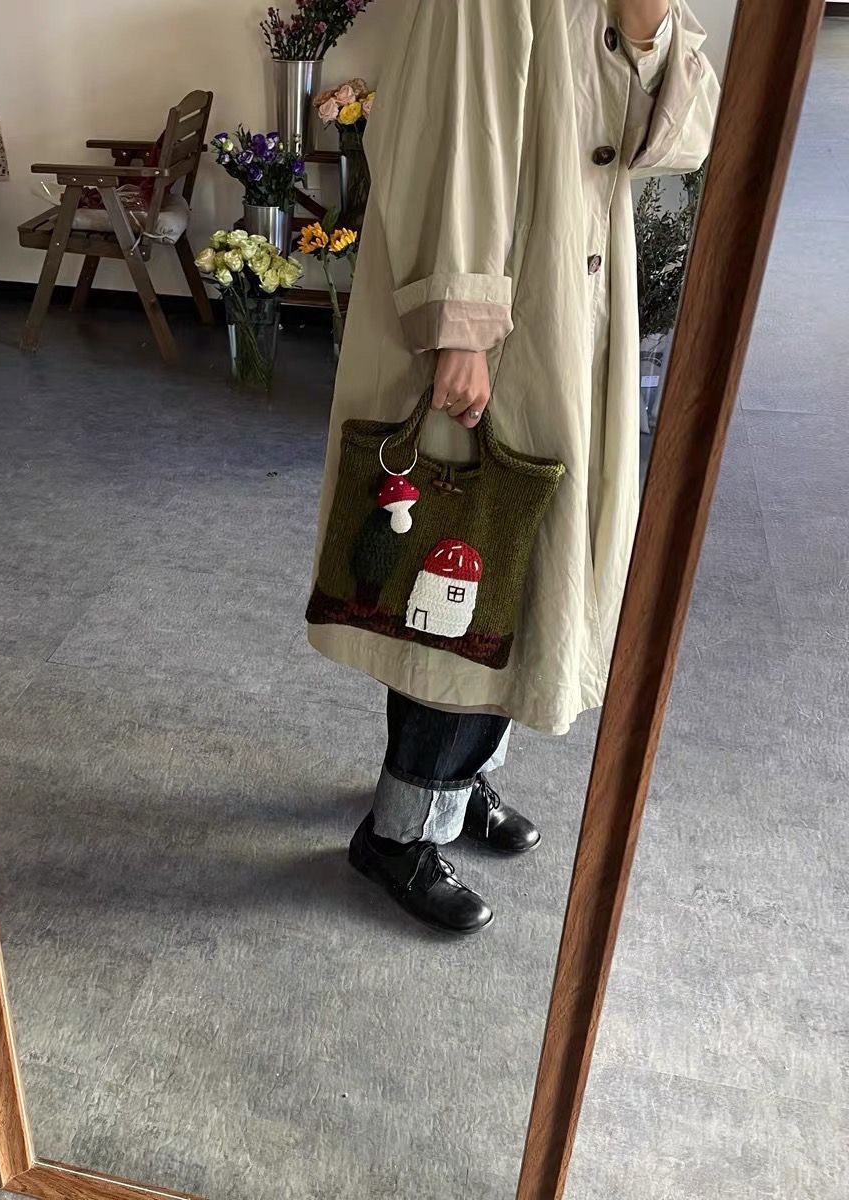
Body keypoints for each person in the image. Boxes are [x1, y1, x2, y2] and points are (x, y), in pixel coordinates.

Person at [308, 0, 720, 933]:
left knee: (519, 561)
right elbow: (456, 128)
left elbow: (674, 142)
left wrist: (645, 26)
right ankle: (401, 829)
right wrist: (459, 327)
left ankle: (462, 779)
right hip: (499, 314)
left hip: (571, 306)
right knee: (461, 570)